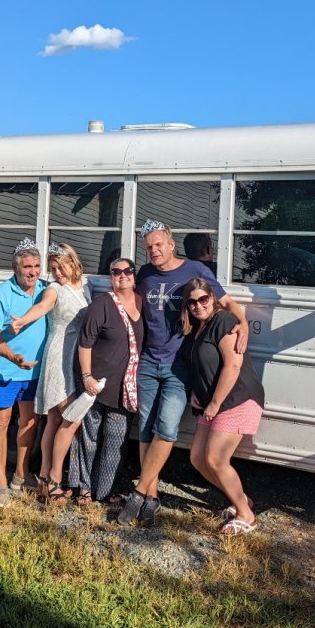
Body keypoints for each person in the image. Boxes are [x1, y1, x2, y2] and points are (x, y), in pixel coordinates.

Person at [117, 220, 248, 527]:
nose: (154, 251)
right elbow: (128, 300)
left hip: (179, 364)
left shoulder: (195, 271)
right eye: (149, 247)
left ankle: (137, 494)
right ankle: (151, 497)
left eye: (159, 244)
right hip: (148, 362)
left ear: (171, 244)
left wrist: (242, 323)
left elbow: (226, 302)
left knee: (167, 427)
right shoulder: (145, 275)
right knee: (147, 428)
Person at [52, 256, 143, 506]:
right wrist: (86, 377)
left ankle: (105, 491)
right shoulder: (102, 305)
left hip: (125, 388)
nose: (122, 276)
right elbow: (85, 343)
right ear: (111, 277)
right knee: (88, 438)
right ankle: (83, 488)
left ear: (134, 276)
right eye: (116, 272)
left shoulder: (140, 303)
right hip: (96, 385)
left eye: (127, 271)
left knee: (116, 440)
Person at [180, 278, 265, 535]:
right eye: (192, 302)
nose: (198, 305)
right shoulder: (200, 327)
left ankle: (246, 515)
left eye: (203, 299)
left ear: (212, 298)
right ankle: (241, 501)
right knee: (197, 458)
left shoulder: (224, 322)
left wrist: (215, 403)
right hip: (212, 403)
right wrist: (198, 394)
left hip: (236, 399)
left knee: (216, 458)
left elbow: (233, 365)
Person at [9, 242, 91, 502]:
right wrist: (23, 320)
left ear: (73, 263)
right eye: (53, 268)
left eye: (60, 267)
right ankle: (54, 479)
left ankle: (44, 477)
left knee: (55, 420)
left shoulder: (85, 285)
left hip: (77, 354)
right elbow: (42, 307)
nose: (56, 273)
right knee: (70, 417)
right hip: (58, 355)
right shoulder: (54, 289)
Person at [0, 238, 46, 507]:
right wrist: (13, 357)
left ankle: (21, 476)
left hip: (35, 371)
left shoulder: (45, 290)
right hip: (5, 370)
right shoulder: (0, 295)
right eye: (27, 267)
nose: (32, 272)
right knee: (1, 423)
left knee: (29, 422)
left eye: (37, 266)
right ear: (15, 267)